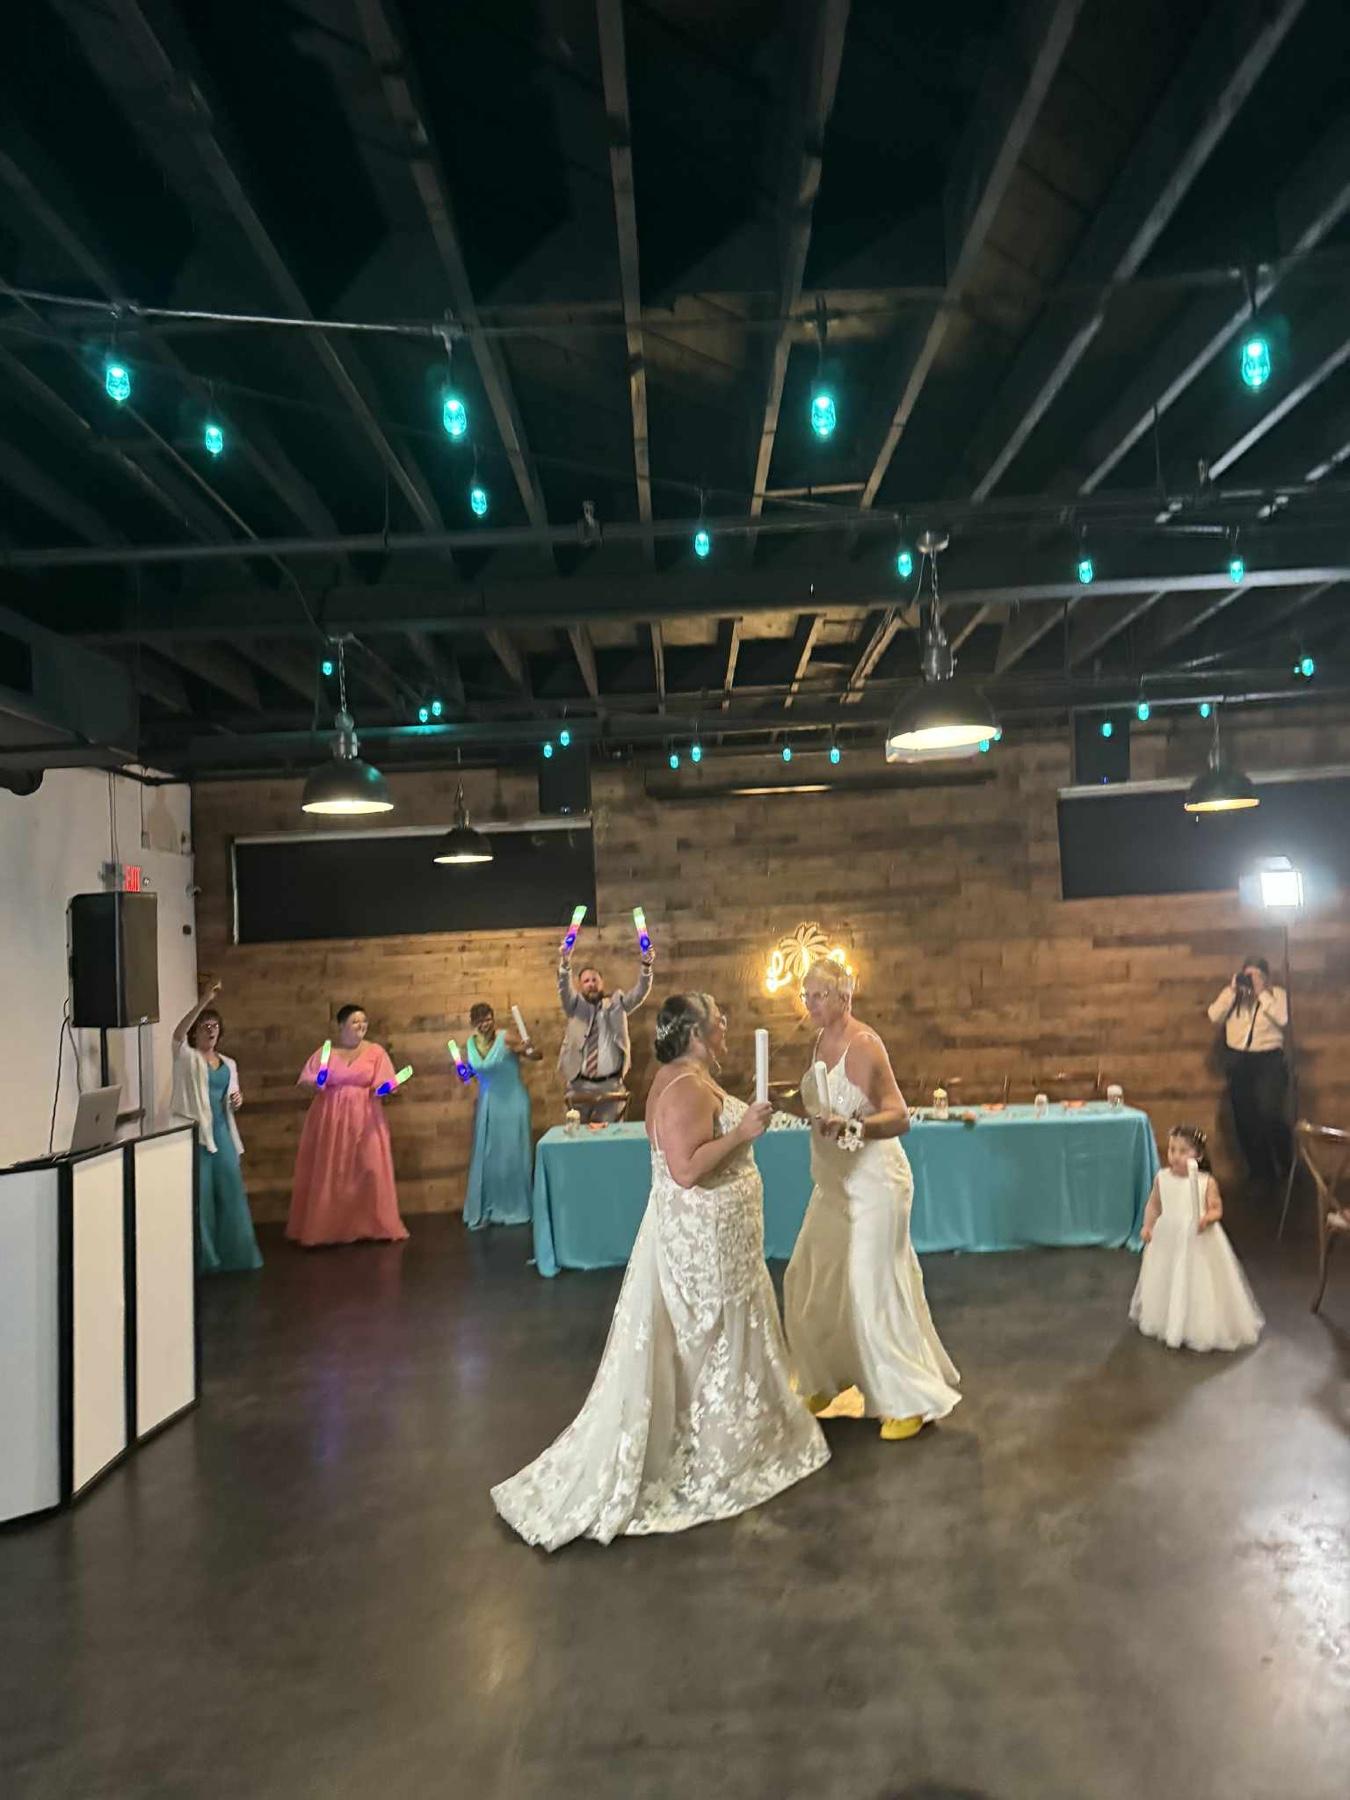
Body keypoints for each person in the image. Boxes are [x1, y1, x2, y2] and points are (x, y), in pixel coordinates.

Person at [491, 992, 828, 1550]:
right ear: (695, 1033)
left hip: (720, 1241)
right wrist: (742, 1133)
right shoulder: (685, 1087)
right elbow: (686, 1170)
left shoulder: (689, 1076)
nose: (726, 1027)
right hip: (705, 1246)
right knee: (709, 1340)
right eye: (719, 1020)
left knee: (719, 1338)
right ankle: (717, 1451)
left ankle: (735, 1433)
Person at [785, 960, 961, 1442]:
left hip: (877, 1184)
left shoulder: (865, 1045)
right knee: (809, 1275)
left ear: (844, 996)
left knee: (872, 1288)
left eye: (818, 994)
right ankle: (826, 1377)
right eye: (806, 995)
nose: (809, 1003)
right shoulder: (819, 1042)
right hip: (835, 1185)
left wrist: (854, 1127)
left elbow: (899, 1116)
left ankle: (909, 1400)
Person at [1130, 1124, 1263, 1352]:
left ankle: (1196, 1323)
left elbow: (1216, 1208)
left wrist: (1207, 1218)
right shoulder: (1162, 1178)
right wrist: (1148, 1225)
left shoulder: (1205, 1182)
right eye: (1172, 1150)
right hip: (1169, 1238)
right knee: (1168, 1277)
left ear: (1198, 1156)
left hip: (1197, 1239)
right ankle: (1167, 1317)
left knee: (1198, 1280)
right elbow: (1154, 1204)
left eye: (1183, 1151)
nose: (1175, 1156)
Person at [288, 1004, 408, 1247]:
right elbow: (306, 1082)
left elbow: (382, 1086)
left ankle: (372, 1225)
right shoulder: (326, 1052)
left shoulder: (376, 1052)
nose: (361, 1025)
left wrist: (389, 1086)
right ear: (341, 1026)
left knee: (370, 1167)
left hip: (366, 1117)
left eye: (364, 1021)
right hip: (331, 1118)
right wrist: (316, 1083)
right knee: (332, 1169)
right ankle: (328, 1227)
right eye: (355, 1021)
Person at [171, 981, 263, 1275]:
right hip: (198, 1135)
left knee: (231, 1193)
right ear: (195, 1031)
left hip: (222, 1132)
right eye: (204, 1026)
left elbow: (231, 1096)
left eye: (214, 1027)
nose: (210, 1031)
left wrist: (237, 1100)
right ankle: (206, 1258)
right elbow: (177, 1036)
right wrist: (203, 1001)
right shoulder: (187, 1057)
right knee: (202, 1196)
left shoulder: (228, 1063)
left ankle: (237, 1255)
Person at [1207, 956, 1291, 1191]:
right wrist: (1232, 991)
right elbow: (1214, 1015)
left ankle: (1286, 1161)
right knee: (1244, 1118)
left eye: (1256, 975)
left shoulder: (1277, 995)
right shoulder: (1233, 996)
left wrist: (1262, 992)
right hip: (1239, 1061)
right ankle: (1261, 1172)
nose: (1251, 980)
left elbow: (1283, 1019)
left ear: (1266, 977)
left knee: (1270, 1112)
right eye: (1248, 975)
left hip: (1269, 1060)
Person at [556, 940, 655, 1123]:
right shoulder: (574, 1006)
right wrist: (565, 962)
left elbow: (639, 993)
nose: (591, 984)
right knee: (576, 1135)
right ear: (580, 986)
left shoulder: (617, 1004)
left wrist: (646, 967)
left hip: (611, 1086)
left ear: (602, 983)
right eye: (586, 981)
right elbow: (563, 988)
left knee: (611, 1135)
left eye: (595, 980)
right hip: (578, 1087)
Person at [463, 1002, 540, 1229]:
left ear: (493, 1019)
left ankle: (517, 1207)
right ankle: (491, 1206)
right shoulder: (470, 1044)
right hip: (488, 1105)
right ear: (473, 1023)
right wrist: (464, 1072)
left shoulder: (506, 1037)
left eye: (488, 1019)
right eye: (480, 1021)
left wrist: (529, 1049)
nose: (485, 1024)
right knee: (488, 1160)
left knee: (513, 1157)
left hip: (512, 1103)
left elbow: (536, 1056)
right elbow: (473, 1072)